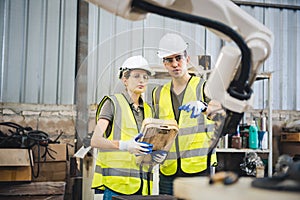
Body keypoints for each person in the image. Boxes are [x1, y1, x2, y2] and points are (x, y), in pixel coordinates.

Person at [152, 33, 218, 195]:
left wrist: (203, 106)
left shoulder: (204, 87)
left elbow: (221, 116)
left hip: (198, 168)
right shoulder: (158, 93)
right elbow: (158, 129)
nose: (175, 64)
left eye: (178, 58)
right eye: (169, 60)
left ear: (187, 59)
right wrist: (155, 151)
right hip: (168, 169)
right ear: (164, 64)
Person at [90, 55, 156, 199]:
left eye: (145, 77)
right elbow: (95, 141)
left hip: (142, 185)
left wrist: (156, 155)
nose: (141, 80)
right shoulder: (112, 103)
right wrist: (125, 145)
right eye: (136, 76)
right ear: (124, 80)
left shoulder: (149, 110)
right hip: (116, 186)